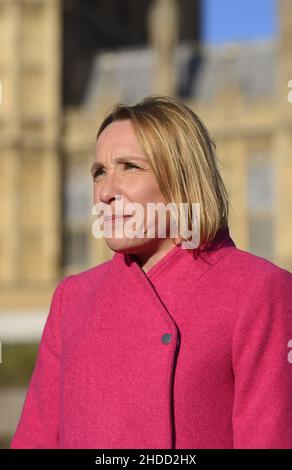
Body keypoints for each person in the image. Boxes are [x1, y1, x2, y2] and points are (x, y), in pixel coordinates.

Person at [10, 95, 292, 449]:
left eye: (130, 166)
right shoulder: (73, 298)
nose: (106, 192)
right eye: (99, 172)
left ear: (181, 178)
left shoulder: (259, 290)